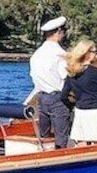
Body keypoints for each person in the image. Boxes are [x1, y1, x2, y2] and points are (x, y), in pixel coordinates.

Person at [29, 15, 71, 148]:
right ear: (59, 32)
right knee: (61, 137)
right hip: (57, 98)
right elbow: (66, 77)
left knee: (44, 136)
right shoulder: (59, 54)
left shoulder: (36, 54)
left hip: (41, 98)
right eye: (63, 32)